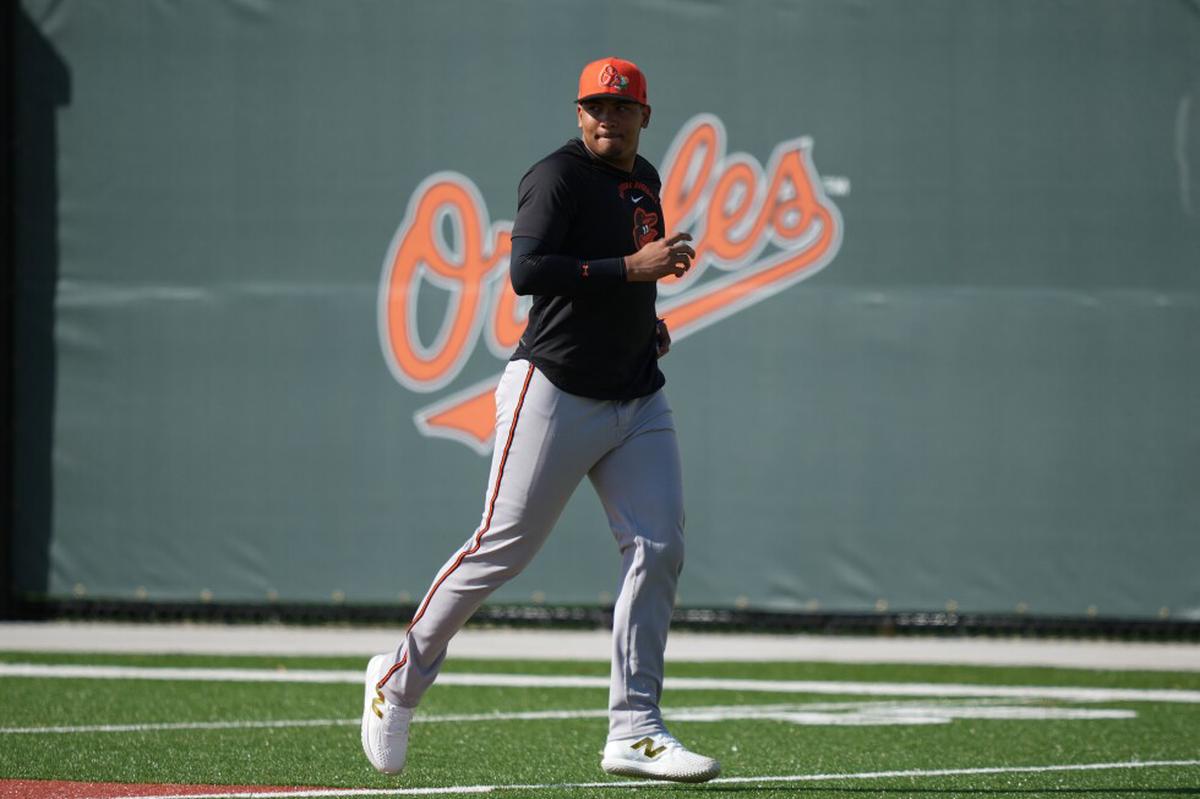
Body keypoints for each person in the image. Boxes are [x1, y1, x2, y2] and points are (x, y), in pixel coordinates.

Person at [361, 56, 719, 784]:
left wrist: (642, 324)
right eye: (595, 106)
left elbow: (626, 275)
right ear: (577, 111)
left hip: (636, 394)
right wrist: (629, 271)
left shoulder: (642, 177)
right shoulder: (555, 176)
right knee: (501, 547)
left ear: (644, 116)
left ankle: (635, 727)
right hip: (553, 390)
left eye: (621, 108)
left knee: (659, 546)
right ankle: (397, 678)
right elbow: (529, 271)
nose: (607, 119)